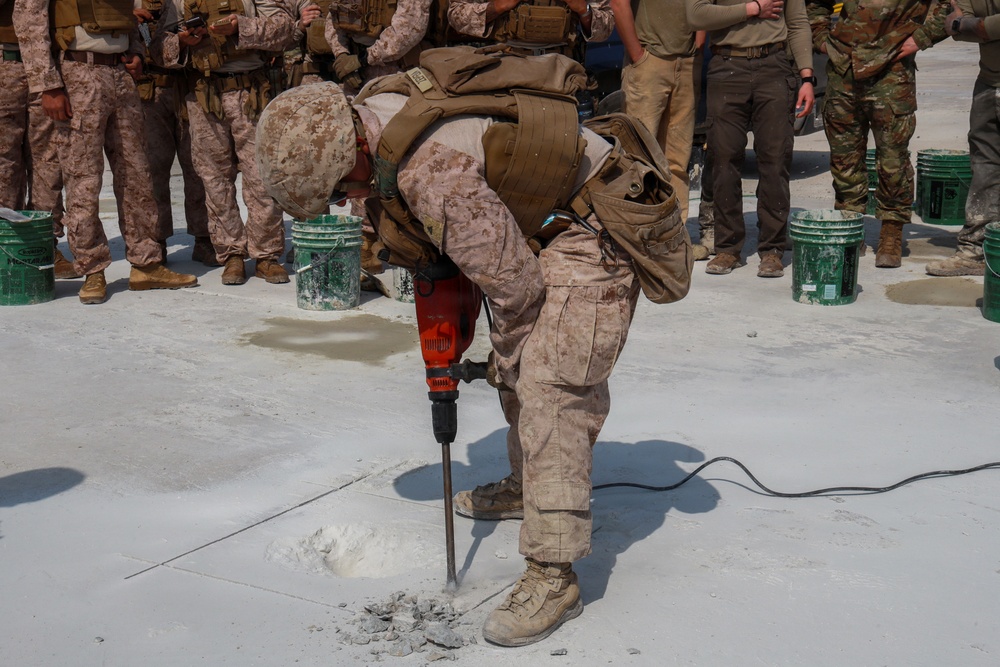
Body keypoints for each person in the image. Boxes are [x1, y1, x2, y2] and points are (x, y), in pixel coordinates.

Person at [255, 71, 648, 645]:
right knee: (522, 358)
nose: (350, 202)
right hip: (546, 222)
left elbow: (515, 288)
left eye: (344, 190)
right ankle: (527, 486)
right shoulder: (370, 113)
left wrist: (509, 360)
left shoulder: (430, 173)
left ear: (351, 152)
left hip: (596, 231)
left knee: (548, 382)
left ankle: (554, 572)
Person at [13, 0, 198, 304]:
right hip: (77, 73)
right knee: (83, 179)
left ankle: (146, 263)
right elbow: (29, 22)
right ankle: (92, 269)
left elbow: (126, 17)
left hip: (120, 76)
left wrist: (138, 52)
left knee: (136, 173)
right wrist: (47, 86)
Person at [153, 0, 298, 286]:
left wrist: (240, 27)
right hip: (204, 96)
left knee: (261, 177)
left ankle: (266, 255)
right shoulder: (180, 2)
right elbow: (159, 47)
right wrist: (182, 41)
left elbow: (287, 30)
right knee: (214, 179)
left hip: (252, 92)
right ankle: (231, 253)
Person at [807, 0, 948, 268]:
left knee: (893, 159)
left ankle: (891, 233)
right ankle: (849, 227)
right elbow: (815, 6)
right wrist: (821, 39)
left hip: (891, 72)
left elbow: (954, 6)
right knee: (844, 159)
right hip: (843, 70)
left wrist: (923, 37)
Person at [687, 0, 815, 278]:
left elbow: (798, 23)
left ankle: (772, 250)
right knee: (723, 158)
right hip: (726, 66)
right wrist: (752, 9)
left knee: (776, 159)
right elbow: (696, 15)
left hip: (775, 67)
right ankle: (728, 248)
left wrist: (807, 77)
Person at [610, 0, 704, 252]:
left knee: (678, 159)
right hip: (649, 62)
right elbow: (619, 3)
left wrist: (698, 45)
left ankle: (674, 241)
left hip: (686, 61)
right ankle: (634, 241)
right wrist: (638, 55)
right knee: (637, 160)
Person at [132, 2, 212, 265]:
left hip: (191, 85)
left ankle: (204, 238)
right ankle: (157, 239)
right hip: (149, 91)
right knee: (152, 170)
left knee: (198, 165)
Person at [926, 0, 997, 277]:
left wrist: (976, 25)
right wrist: (970, 25)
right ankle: (976, 249)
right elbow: (955, 26)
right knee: (985, 167)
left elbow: (972, 25)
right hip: (988, 83)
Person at [324, 0, 432, 95]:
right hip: (354, 71)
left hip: (396, 71)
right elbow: (334, 15)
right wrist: (342, 54)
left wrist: (363, 59)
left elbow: (408, 29)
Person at [447, 0, 614, 58]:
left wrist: (583, 10)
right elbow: (456, 16)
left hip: (561, 68)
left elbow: (605, 29)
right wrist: (498, 6)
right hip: (505, 63)